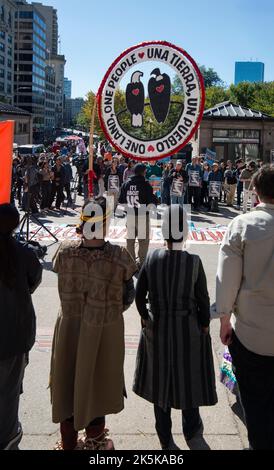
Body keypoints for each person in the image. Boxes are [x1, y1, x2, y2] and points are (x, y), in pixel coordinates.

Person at [50, 197, 137, 451]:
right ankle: (95, 442)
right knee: (97, 383)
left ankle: (68, 443)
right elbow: (128, 296)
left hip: (69, 328)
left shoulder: (64, 251)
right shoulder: (119, 257)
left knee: (67, 381)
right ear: (105, 223)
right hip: (104, 329)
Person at [133, 205, 218, 450]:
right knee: (188, 379)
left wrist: (144, 317)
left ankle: (165, 437)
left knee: (160, 382)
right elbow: (202, 298)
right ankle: (192, 432)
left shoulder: (152, 257)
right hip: (187, 328)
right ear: (185, 233)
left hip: (158, 326)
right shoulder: (193, 261)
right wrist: (203, 325)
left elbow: (140, 295)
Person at [216, 164, 274, 450]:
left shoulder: (242, 224)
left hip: (251, 334)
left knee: (254, 404)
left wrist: (224, 319)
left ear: (255, 191)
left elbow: (226, 279)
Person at [0, 204, 42, 450]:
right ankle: (6, 437)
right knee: (9, 392)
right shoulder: (24, 253)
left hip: (15, 333)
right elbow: (34, 281)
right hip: (15, 334)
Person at [119, 163, 159, 268]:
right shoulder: (145, 184)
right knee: (143, 241)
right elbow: (152, 202)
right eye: (145, 171)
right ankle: (142, 264)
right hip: (142, 215)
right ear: (143, 172)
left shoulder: (126, 183)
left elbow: (121, 200)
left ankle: (131, 263)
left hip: (130, 215)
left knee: (130, 240)